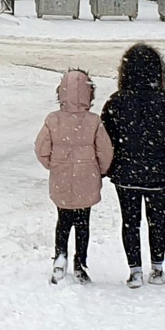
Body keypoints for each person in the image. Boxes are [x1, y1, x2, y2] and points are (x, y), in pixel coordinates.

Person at [100, 43, 165, 289]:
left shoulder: (115, 103)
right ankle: (157, 269)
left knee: (130, 222)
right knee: (157, 219)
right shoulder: (163, 103)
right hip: (159, 174)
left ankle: (135, 271)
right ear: (158, 73)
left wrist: (101, 170)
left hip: (126, 174)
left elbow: (103, 142)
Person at [35, 69, 113, 285]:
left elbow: (41, 147)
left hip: (61, 175)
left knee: (63, 219)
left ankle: (60, 257)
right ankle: (80, 262)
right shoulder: (93, 121)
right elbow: (105, 151)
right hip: (86, 176)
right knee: (82, 222)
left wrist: (52, 164)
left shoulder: (53, 120)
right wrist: (101, 169)